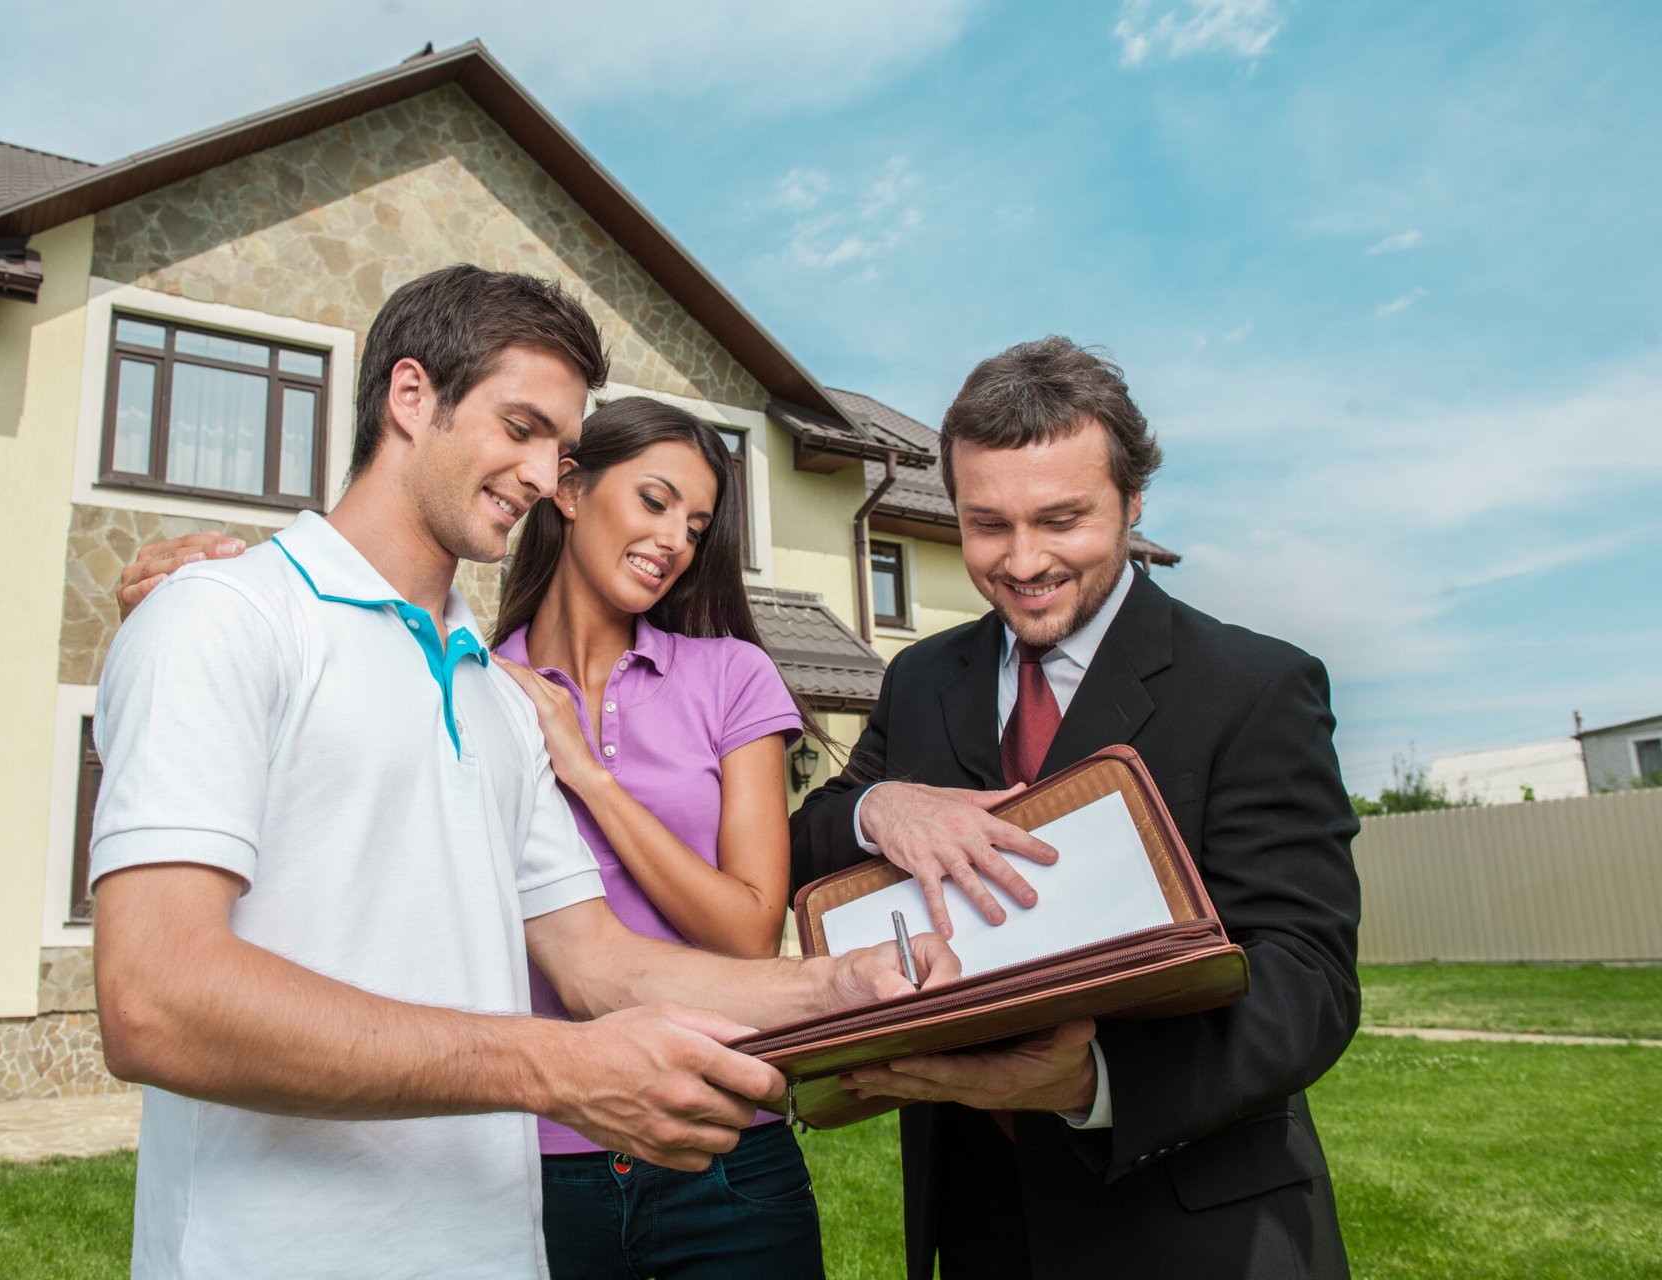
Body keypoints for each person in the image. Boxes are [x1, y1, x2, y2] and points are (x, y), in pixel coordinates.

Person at [91, 263, 952, 1279]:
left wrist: (830, 983)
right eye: (520, 428)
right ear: (411, 397)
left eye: (562, 447)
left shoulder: (497, 698)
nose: (546, 476)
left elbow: (597, 960)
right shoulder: (222, 617)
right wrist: (556, 1066)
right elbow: (154, 996)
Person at [789, 337, 1361, 1279]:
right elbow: (813, 845)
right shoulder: (923, 677)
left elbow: (1309, 981)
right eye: (987, 526)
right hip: (978, 1223)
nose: (1023, 561)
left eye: (1062, 519)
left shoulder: (1256, 686)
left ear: (1134, 503)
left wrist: (1095, 1083)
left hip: (1193, 1228)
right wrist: (879, 804)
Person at [489, 395, 830, 1277]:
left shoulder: (733, 677)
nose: (676, 537)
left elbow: (751, 928)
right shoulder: (479, 684)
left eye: (697, 521)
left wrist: (591, 778)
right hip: (532, 1160)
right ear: (568, 488)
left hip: (724, 1149)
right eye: (654, 499)